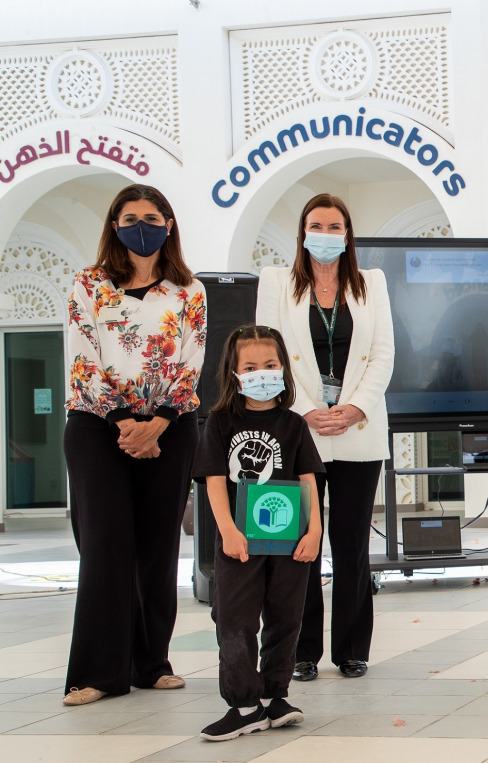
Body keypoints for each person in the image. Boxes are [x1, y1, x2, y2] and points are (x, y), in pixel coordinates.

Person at [62, 184, 206, 706]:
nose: (140, 224)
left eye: (151, 216)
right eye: (130, 216)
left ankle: (152, 663)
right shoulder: (89, 284)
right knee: (105, 547)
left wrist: (159, 423)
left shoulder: (188, 289)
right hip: (98, 426)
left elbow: (191, 362)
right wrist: (126, 423)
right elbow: (84, 358)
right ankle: (94, 673)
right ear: (114, 225)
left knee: (156, 548)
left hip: (170, 426)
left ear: (168, 225)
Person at [256, 194, 394, 680]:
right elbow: (263, 353)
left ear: (348, 234)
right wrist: (306, 411)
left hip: (359, 430)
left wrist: (353, 408)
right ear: (302, 233)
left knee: (351, 542)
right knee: (300, 544)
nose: (326, 233)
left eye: (335, 226)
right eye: (317, 225)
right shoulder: (276, 282)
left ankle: (352, 648)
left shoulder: (370, 283)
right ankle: (301, 651)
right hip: (299, 430)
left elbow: (383, 354)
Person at [192, 326, 324, 741]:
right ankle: (244, 704)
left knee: (286, 618)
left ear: (283, 368)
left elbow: (308, 482)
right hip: (239, 544)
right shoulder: (219, 423)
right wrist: (228, 531)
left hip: (290, 542)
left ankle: (274, 696)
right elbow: (214, 481)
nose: (261, 373)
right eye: (250, 367)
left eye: (269, 365)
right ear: (234, 373)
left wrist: (315, 532)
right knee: (235, 620)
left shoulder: (294, 425)